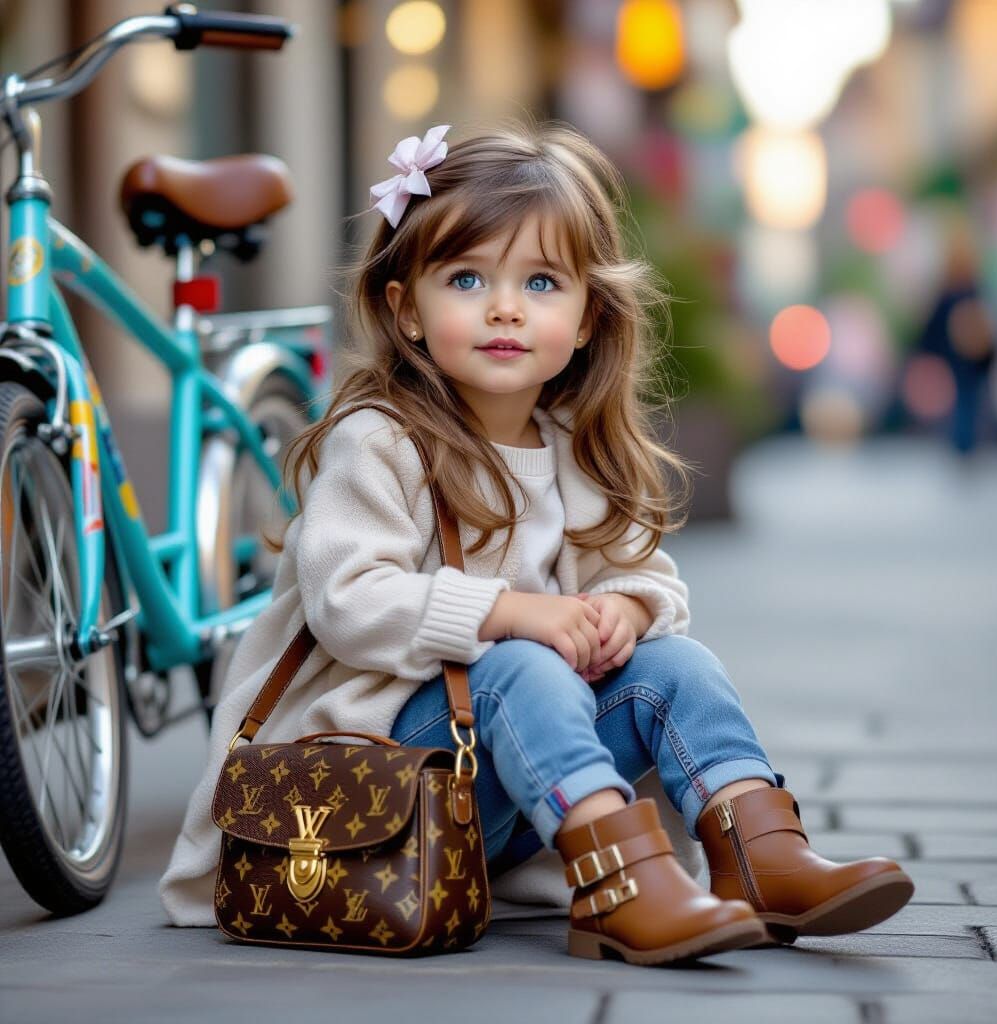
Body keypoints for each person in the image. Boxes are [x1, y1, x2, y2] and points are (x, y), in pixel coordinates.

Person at [160, 120, 913, 964]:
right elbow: (348, 602)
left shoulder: (571, 445)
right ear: (406, 310)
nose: (505, 306)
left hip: (506, 801)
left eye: (543, 280)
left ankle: (759, 859)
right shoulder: (379, 440)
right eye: (468, 277)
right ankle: (619, 887)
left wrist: (625, 608)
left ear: (589, 315)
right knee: (518, 666)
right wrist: (514, 613)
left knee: (678, 668)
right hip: (375, 787)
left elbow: (645, 575)